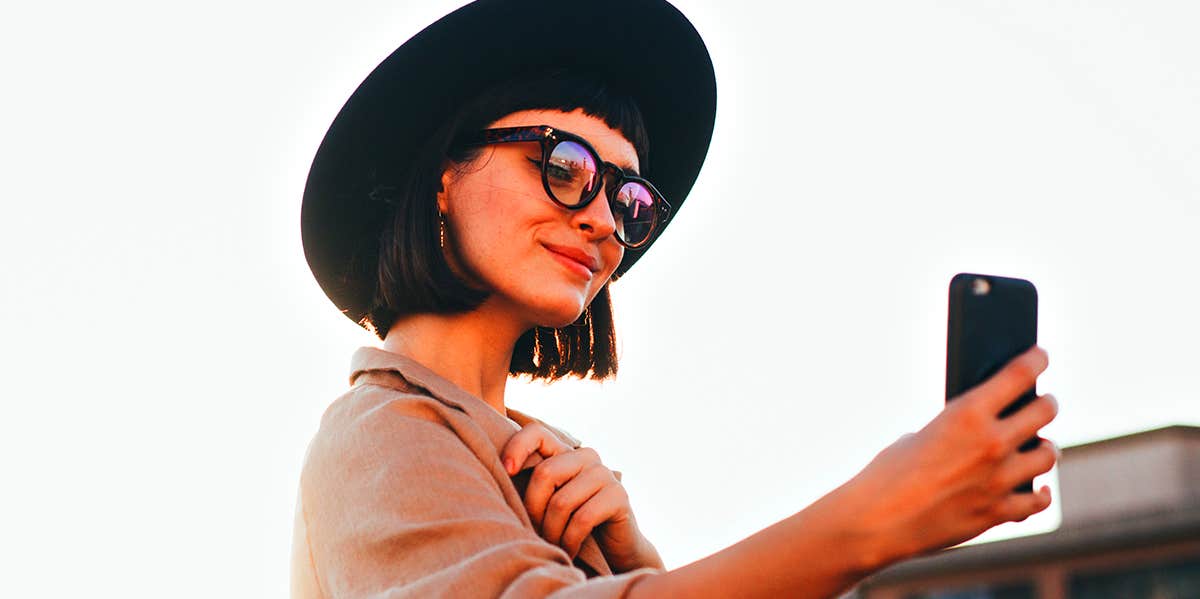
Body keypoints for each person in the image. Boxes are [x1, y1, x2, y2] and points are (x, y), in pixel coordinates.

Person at [291, 1, 1060, 597]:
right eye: (562, 163)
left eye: (627, 197)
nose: (601, 219)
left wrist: (634, 564)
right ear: (443, 177)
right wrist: (877, 516)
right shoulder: (381, 432)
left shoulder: (546, 468)